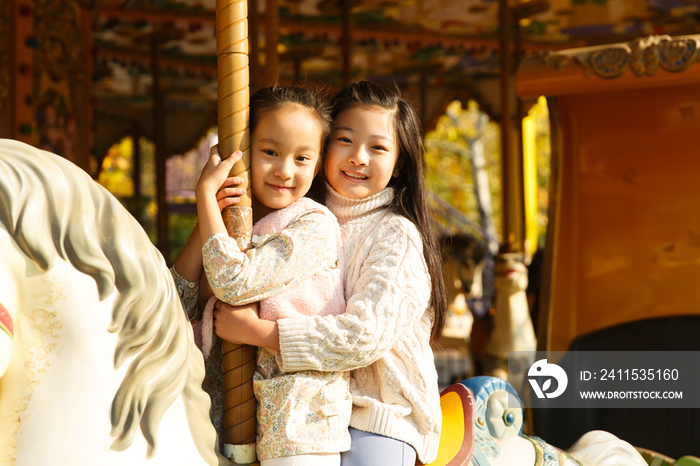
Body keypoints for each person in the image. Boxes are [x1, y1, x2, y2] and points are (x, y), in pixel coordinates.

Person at [213, 80, 447, 466]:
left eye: (378, 148)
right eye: (345, 140)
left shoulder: (396, 235)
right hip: (302, 402)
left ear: (399, 162)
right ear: (323, 150)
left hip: (377, 412)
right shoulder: (295, 217)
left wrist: (261, 334)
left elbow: (363, 334)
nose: (358, 157)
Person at [171, 85, 351, 466]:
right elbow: (175, 300)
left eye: (302, 158)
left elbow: (233, 284)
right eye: (270, 152)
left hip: (298, 422)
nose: (285, 170)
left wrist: (204, 193)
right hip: (219, 417)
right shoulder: (238, 228)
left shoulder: (313, 226)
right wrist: (209, 217)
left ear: (317, 166)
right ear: (243, 154)